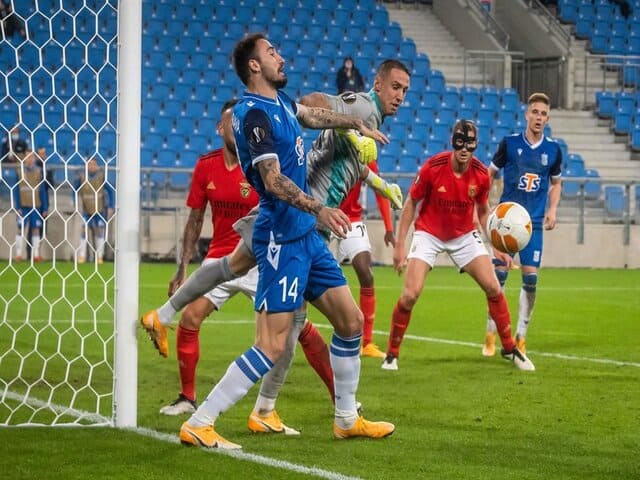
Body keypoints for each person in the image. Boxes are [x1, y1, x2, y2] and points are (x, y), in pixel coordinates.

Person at [141, 58, 410, 436]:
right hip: (297, 221)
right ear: (378, 84)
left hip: (300, 221)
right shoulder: (363, 105)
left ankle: (165, 316)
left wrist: (381, 184)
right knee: (277, 336)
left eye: (405, 91)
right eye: (395, 87)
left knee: (243, 274)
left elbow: (350, 162)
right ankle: (215, 417)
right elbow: (315, 102)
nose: (400, 96)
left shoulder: (367, 119)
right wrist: (348, 129)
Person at [381, 119, 535, 372]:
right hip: (428, 233)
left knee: (494, 287)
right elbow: (411, 203)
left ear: (475, 146)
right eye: (460, 143)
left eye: (470, 145)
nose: (464, 150)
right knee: (410, 295)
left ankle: (509, 349)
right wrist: (400, 245)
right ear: (453, 143)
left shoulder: (480, 174)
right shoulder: (433, 167)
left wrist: (495, 243)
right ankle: (391, 354)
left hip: (464, 235)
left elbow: (484, 211)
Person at [482, 92, 562, 356]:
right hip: (506, 222)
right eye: (535, 112)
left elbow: (556, 182)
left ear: (547, 119)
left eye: (543, 114)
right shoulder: (510, 143)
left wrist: (552, 208)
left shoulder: (553, 150)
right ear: (527, 114)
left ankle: (521, 336)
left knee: (531, 280)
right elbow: (489, 174)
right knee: (498, 279)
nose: (538, 117)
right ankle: (491, 334)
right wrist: (491, 203)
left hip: (534, 224)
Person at [333, 165, 395, 359]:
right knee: (308, 279)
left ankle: (367, 343)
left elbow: (378, 188)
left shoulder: (365, 152)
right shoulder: (326, 144)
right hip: (324, 216)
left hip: (351, 220)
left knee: (366, 273)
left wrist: (389, 227)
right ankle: (295, 333)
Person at [73, 157, 115, 264]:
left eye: (93, 164)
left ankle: (99, 256)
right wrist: (75, 203)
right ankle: (82, 256)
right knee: (84, 230)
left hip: (100, 210)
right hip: (86, 210)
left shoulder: (101, 177)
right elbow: (74, 190)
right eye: (89, 164)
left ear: (96, 166)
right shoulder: (82, 177)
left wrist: (111, 205)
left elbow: (110, 190)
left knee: (99, 231)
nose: (91, 166)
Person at [13, 149, 48, 262]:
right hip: (22, 206)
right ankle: (18, 254)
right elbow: (15, 190)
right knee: (20, 229)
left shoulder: (39, 171)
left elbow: (42, 191)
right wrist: (17, 206)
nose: (30, 159)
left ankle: (36, 255)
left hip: (35, 206)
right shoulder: (19, 172)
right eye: (28, 157)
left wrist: (45, 207)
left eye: (32, 157)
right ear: (24, 158)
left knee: (35, 229)